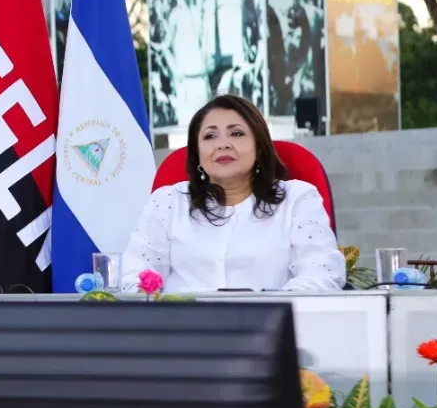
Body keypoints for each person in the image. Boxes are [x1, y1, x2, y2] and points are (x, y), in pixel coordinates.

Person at [121, 94, 344, 292]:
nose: (223, 144)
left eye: (236, 133)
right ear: (197, 154)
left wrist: (270, 309)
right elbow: (135, 274)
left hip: (269, 330)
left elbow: (322, 271)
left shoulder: (297, 199)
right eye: (210, 136)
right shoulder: (168, 202)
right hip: (181, 331)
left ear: (259, 147)